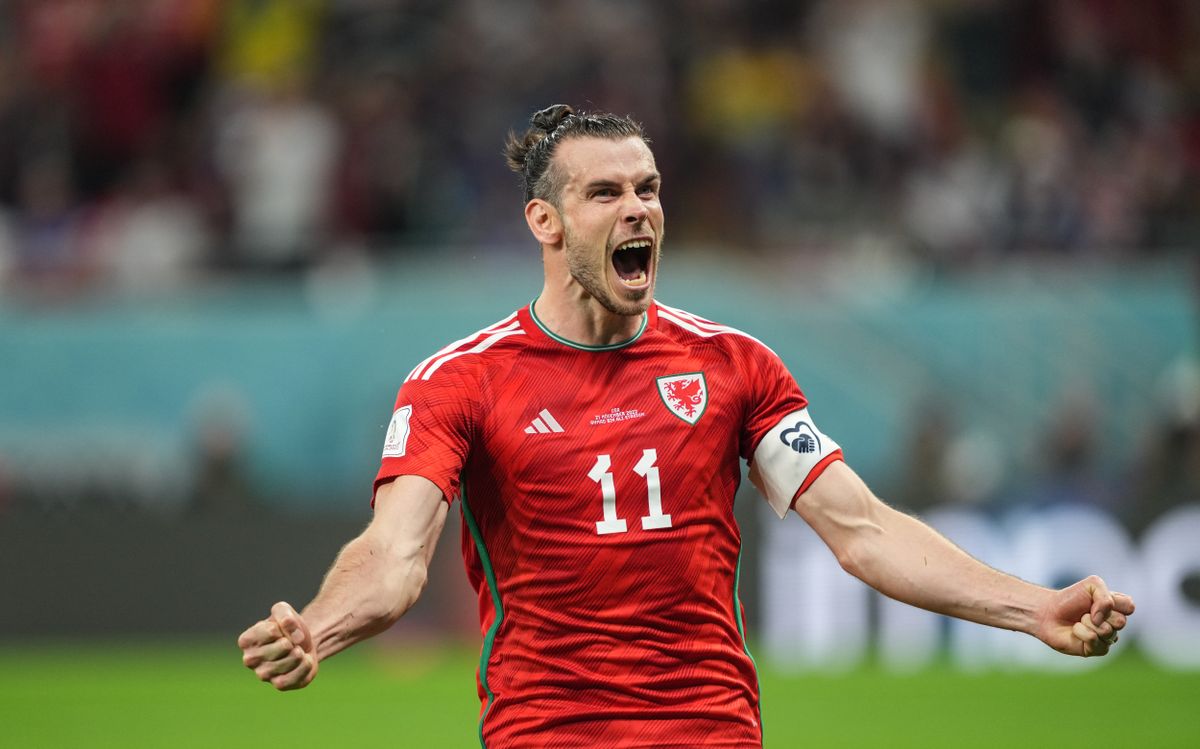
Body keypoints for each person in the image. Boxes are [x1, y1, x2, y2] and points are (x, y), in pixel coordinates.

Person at [238, 105, 1134, 748]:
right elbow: (394, 560)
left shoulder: (735, 366)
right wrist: (320, 625)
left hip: (711, 729)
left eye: (649, 188)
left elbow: (862, 532)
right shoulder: (458, 382)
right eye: (605, 193)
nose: (638, 209)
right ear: (544, 222)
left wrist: (1033, 608)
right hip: (548, 732)